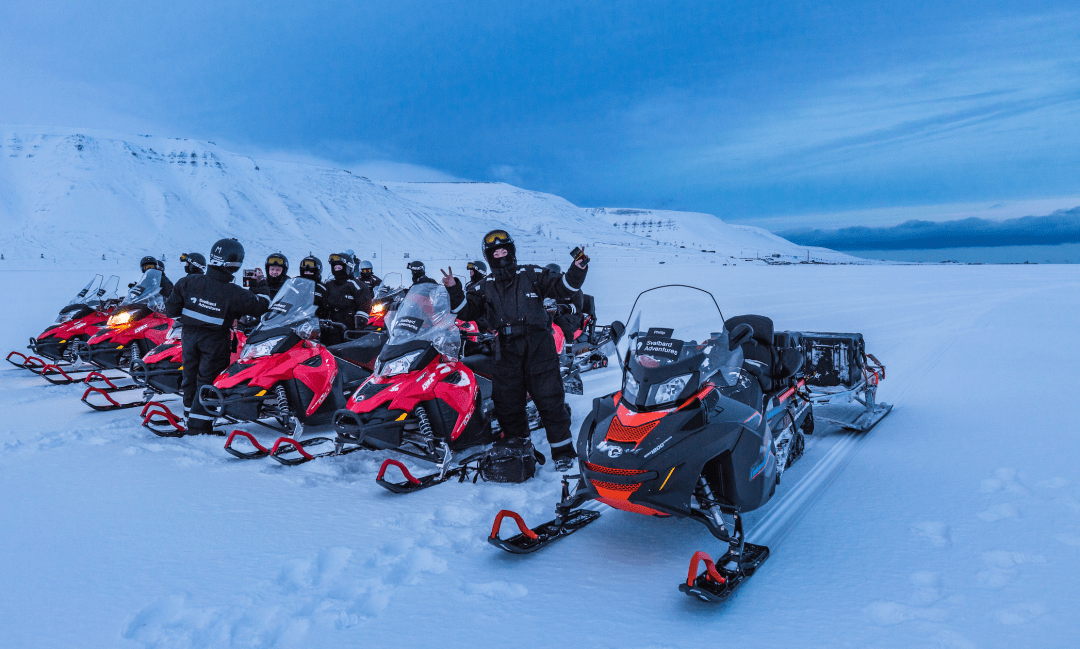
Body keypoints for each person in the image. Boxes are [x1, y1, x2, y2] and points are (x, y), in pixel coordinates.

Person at [442, 230, 589, 475]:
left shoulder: (531, 274)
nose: (500, 256)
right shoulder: (484, 285)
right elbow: (466, 311)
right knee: (508, 404)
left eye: (504, 251)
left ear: (512, 251)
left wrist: (577, 269)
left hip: (538, 344)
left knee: (550, 400)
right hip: (506, 348)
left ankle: (563, 453)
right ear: (488, 257)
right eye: (495, 252)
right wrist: (454, 288)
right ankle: (518, 451)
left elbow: (564, 288)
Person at [165, 238, 270, 434]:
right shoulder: (233, 292)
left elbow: (171, 309)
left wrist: (194, 316)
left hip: (188, 335)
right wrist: (261, 285)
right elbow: (261, 306)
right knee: (208, 380)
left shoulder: (188, 281)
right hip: (214, 340)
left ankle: (190, 417)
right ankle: (199, 427)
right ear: (236, 263)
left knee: (189, 376)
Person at [324, 252, 373, 344]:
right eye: (335, 268)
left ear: (348, 267)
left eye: (339, 268)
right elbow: (321, 303)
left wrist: (358, 328)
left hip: (348, 330)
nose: (337, 270)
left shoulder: (356, 285)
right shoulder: (329, 284)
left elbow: (364, 306)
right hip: (328, 327)